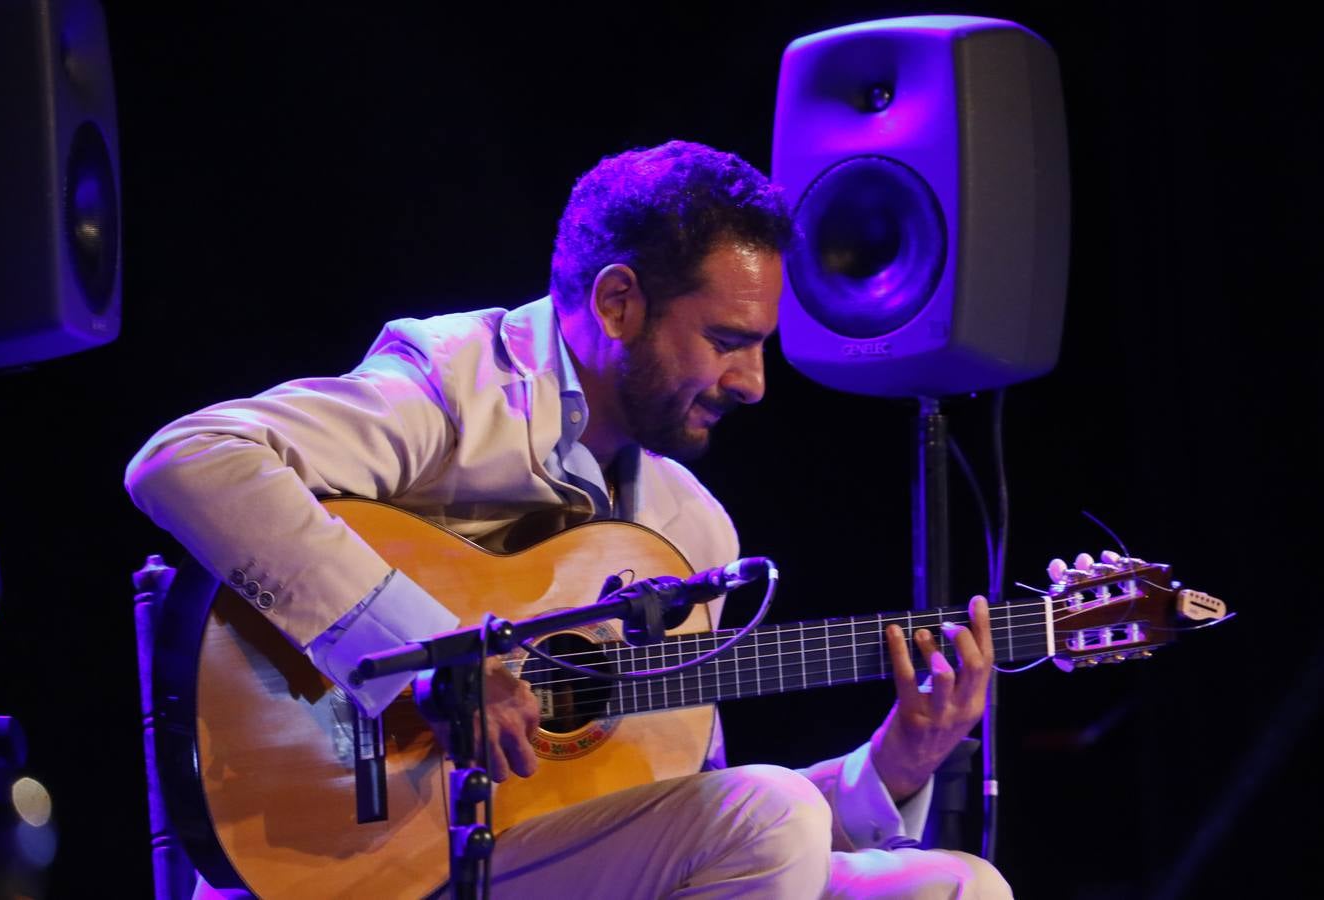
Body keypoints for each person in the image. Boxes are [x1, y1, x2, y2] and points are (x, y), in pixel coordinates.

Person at [126, 141, 1011, 899]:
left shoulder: (689, 528)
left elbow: (697, 817)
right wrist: (441, 662)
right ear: (618, 302)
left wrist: (893, 763)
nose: (753, 384)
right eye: (727, 341)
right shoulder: (453, 386)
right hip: (360, 852)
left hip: (542, 858)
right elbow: (189, 460)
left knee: (959, 884)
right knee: (770, 809)